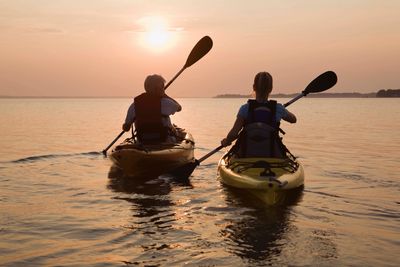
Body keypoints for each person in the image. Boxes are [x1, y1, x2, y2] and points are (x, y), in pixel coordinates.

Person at [220, 71, 297, 158]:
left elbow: (233, 134)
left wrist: (227, 141)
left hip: (246, 154)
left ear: (254, 87)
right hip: (272, 154)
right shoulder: (278, 108)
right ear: (271, 89)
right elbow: (293, 119)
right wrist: (282, 110)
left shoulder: (245, 108)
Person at [122, 74, 182, 143]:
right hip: (164, 141)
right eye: (162, 86)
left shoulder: (135, 105)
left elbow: (126, 128)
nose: (163, 88)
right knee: (178, 132)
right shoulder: (165, 102)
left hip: (142, 141)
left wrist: (127, 125)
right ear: (158, 88)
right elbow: (179, 108)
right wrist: (165, 95)